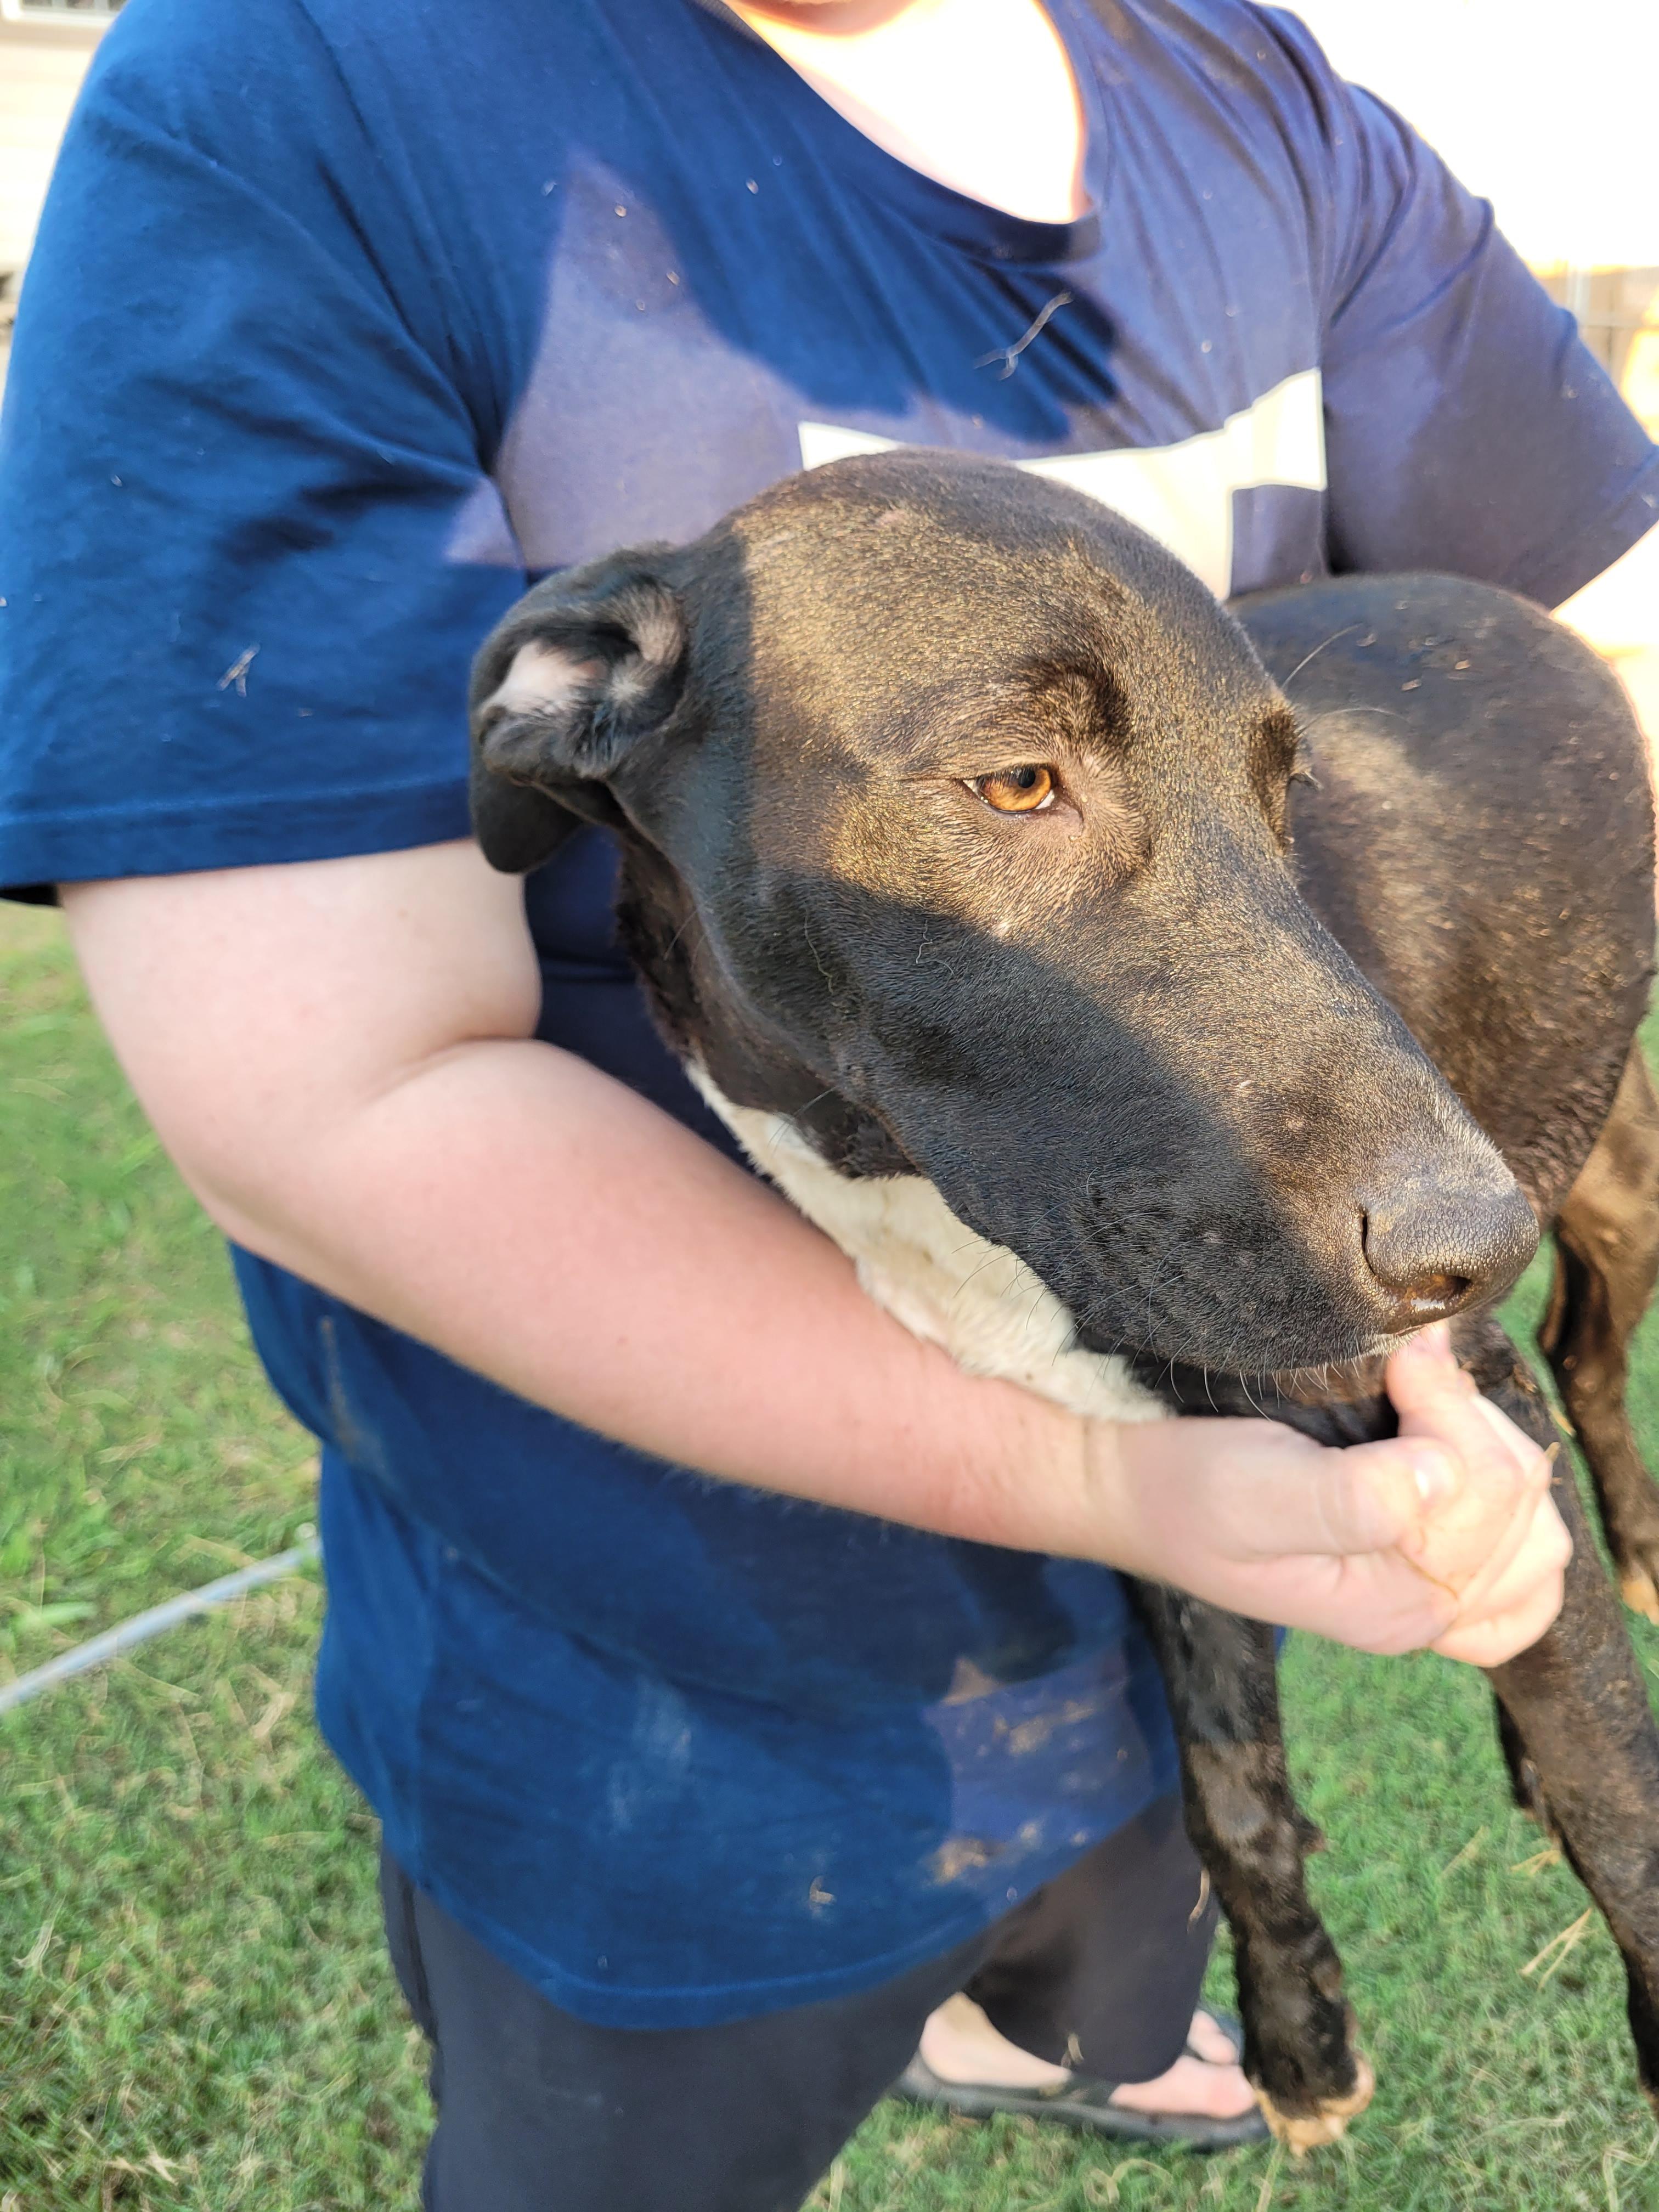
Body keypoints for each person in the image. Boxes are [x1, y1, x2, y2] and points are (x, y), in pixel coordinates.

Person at [1, 0, 1652, 2202]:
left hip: (1131, 1682)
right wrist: (1111, 1478)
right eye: (1017, 780)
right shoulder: (297, 95)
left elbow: (1604, 629)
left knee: (1112, 1975)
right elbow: (334, 1090)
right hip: (672, 1734)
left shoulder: (1248, 89)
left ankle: (1080, 2022)